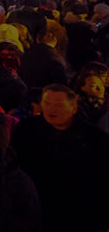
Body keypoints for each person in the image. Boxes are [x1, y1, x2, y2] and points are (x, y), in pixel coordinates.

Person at [11, 84, 109, 232]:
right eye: (47, 104)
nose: (51, 109)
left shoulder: (93, 139)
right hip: (35, 209)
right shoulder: (26, 130)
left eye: (58, 105)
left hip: (77, 215)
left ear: (73, 108)